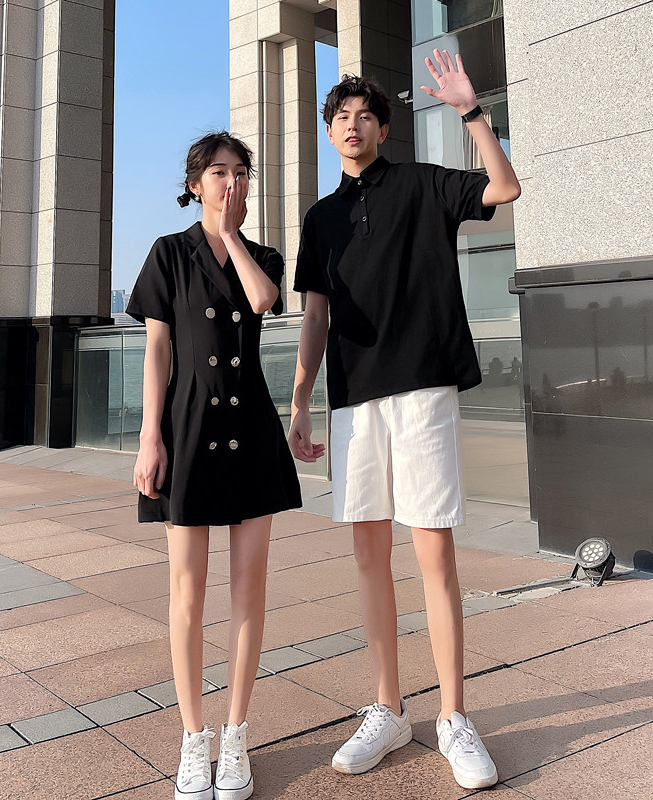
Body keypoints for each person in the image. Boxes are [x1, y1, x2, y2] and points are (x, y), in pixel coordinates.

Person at [288, 51, 520, 791]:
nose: (353, 126)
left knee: (434, 554)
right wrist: (301, 399)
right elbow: (315, 315)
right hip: (354, 400)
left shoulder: (422, 184)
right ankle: (388, 709)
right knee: (367, 556)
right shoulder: (320, 218)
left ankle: (453, 716)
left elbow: (504, 187)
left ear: (384, 129)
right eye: (341, 118)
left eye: (366, 116)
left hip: (423, 388)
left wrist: (470, 112)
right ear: (329, 132)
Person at [127, 131, 302, 800]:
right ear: (195, 183)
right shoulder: (168, 254)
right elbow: (158, 352)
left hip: (249, 429)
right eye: (219, 172)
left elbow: (262, 302)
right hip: (189, 427)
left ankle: (235, 736)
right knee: (188, 592)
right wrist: (150, 436)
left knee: (249, 590)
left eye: (241, 172)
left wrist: (230, 236)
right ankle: (192, 738)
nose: (232, 182)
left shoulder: (263, 256)